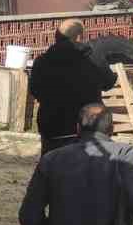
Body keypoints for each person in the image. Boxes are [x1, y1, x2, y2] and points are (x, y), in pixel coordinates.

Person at [28, 19, 118, 155]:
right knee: (90, 164)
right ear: (79, 37)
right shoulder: (93, 58)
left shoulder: (42, 61)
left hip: (53, 127)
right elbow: (109, 82)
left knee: (53, 163)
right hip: (88, 125)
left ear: (57, 37)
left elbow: (34, 90)